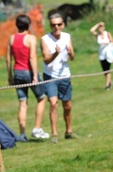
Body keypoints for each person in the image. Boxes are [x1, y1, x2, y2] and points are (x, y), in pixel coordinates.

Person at [6, 14, 49, 142]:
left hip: (17, 73)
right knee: (42, 98)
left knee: (23, 104)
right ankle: (36, 128)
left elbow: (9, 59)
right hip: (28, 72)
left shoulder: (11, 38)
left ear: (16, 25)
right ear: (28, 25)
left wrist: (9, 75)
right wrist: (35, 75)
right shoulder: (31, 38)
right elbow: (32, 57)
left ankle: (22, 134)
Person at [41, 13, 76, 144]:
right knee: (54, 105)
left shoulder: (67, 36)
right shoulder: (45, 39)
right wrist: (56, 52)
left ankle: (69, 131)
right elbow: (46, 60)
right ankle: (54, 134)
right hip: (50, 77)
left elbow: (72, 58)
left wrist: (71, 52)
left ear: (63, 25)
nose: (56, 27)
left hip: (65, 75)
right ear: (50, 25)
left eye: (59, 24)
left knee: (67, 106)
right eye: (53, 24)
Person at [89, 21, 113, 91]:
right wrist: (97, 24)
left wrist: (108, 43)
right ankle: (109, 81)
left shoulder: (107, 34)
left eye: (102, 26)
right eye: (100, 27)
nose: (101, 28)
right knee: (104, 71)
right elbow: (91, 30)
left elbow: (112, 41)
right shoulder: (98, 35)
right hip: (101, 55)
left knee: (108, 69)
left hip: (108, 54)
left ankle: (107, 85)